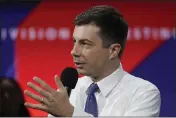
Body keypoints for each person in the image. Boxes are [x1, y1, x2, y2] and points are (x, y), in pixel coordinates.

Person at [24, 5, 161, 117]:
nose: (74, 51)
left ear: (113, 50)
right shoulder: (68, 93)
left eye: (85, 44)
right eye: (74, 41)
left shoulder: (143, 93)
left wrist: (70, 113)